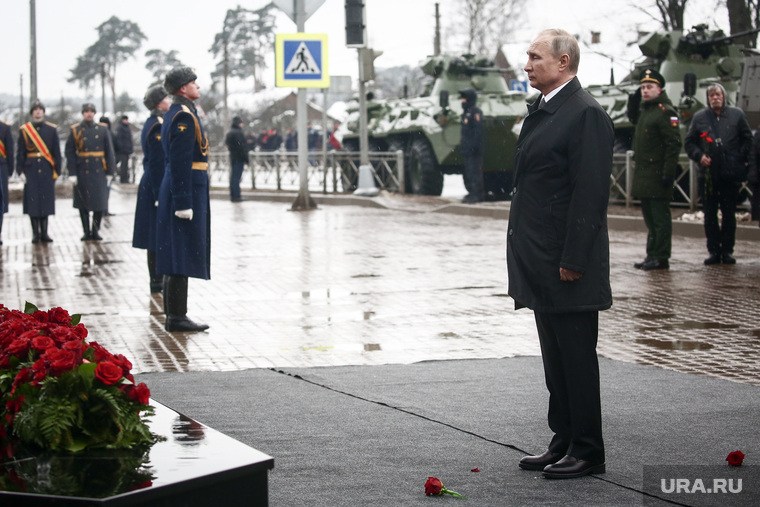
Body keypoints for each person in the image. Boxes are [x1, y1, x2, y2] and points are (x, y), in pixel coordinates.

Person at [507, 29, 613, 479]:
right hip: (542, 259)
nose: (527, 64)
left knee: (575, 358)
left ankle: (588, 448)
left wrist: (574, 259)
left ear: (563, 62)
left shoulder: (584, 113)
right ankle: (563, 439)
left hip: (567, 263)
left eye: (534, 57)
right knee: (555, 358)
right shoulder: (548, 109)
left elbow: (588, 195)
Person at [155, 66, 210, 332]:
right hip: (185, 188)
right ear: (182, 89)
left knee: (178, 251)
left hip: (183, 187)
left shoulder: (179, 112)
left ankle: (176, 314)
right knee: (180, 253)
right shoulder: (183, 116)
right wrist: (183, 202)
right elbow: (179, 161)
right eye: (192, 82)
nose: (197, 86)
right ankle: (176, 316)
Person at [684, 83, 753, 264]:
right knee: (710, 214)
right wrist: (700, 156)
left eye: (718, 95)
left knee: (729, 213)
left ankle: (727, 250)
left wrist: (739, 157)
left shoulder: (737, 115)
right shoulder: (700, 117)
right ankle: (714, 250)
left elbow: (748, 139)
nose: (715, 98)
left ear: (724, 97)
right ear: (708, 99)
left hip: (730, 174)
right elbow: (689, 142)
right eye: (711, 95)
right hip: (708, 175)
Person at [628, 69, 682, 270]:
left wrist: (669, 172)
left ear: (660, 89)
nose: (645, 91)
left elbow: (673, 144)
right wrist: (632, 104)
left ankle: (661, 256)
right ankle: (652, 254)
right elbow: (633, 119)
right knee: (650, 218)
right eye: (643, 87)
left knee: (660, 219)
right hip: (645, 174)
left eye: (649, 87)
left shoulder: (666, 111)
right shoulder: (646, 111)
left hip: (658, 174)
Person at [133, 85, 171, 293]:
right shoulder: (157, 125)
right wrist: (158, 193)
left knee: (154, 234)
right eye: (165, 98)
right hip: (154, 185)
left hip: (151, 183)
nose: (169, 101)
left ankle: (156, 280)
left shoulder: (154, 122)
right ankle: (156, 280)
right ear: (159, 102)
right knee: (155, 235)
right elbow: (156, 162)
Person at [65, 103, 116, 241]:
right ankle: (86, 231)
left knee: (99, 202)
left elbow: (109, 151)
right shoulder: (76, 130)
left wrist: (110, 172)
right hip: (82, 170)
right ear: (83, 113)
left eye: (91, 111)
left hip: (98, 170)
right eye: (86, 111)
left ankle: (95, 230)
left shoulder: (102, 129)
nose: (89, 114)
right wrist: (72, 172)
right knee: (83, 203)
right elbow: (69, 152)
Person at [16, 100, 62, 243]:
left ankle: (45, 233)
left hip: (47, 169)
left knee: (46, 201)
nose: (37, 112)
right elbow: (20, 153)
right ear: (32, 113)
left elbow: (56, 152)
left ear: (43, 112)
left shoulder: (51, 129)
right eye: (35, 110)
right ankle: (35, 233)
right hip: (30, 170)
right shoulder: (24, 130)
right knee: (33, 202)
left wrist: (57, 170)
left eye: (40, 109)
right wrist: (20, 171)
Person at [459, 88, 485, 203]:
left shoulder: (475, 112)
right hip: (468, 150)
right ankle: (471, 193)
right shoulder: (466, 113)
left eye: (464, 98)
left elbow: (478, 131)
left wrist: (473, 147)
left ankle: (477, 194)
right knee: (469, 172)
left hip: (474, 150)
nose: (462, 101)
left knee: (475, 172)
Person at [225, 116, 247, 202]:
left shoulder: (230, 132)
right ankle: (236, 196)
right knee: (236, 178)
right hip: (239, 157)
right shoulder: (238, 133)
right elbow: (242, 146)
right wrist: (246, 158)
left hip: (233, 157)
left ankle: (233, 195)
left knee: (233, 177)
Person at [0, 120, 14, 245]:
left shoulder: (4, 127)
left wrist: (10, 170)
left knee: (1, 201)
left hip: (1, 167)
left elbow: (9, 150)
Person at [115, 115, 134, 183]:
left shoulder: (127, 127)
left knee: (125, 165)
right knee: (123, 165)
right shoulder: (120, 128)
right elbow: (120, 139)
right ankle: (123, 179)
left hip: (127, 150)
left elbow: (129, 139)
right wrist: (122, 148)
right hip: (123, 150)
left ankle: (125, 178)